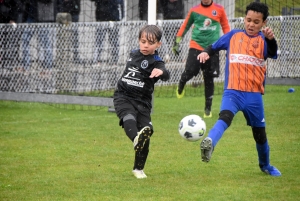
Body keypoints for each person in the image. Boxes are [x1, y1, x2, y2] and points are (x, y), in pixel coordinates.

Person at [197, 2, 281, 176]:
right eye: (248, 20)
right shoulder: (233, 35)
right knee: (224, 117)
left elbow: (273, 53)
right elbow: (213, 47)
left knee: (260, 134)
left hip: (254, 95)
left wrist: (271, 39)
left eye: (256, 22)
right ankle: (210, 142)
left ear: (264, 23)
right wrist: (205, 52)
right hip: (233, 91)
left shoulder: (264, 40)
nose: (251, 24)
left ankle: (265, 165)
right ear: (244, 19)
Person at [113, 25, 170, 179]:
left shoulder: (157, 62)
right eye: (143, 41)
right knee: (128, 117)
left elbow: (166, 74)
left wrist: (162, 72)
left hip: (143, 102)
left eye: (150, 43)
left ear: (158, 44)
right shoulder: (133, 54)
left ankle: (138, 169)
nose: (145, 45)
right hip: (123, 96)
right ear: (139, 41)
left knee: (146, 132)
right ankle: (135, 139)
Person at [172, 0, 230, 118]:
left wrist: (230, 43)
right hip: (196, 47)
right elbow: (185, 26)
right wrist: (177, 41)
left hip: (212, 49)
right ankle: (181, 83)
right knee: (190, 72)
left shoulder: (220, 9)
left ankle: (208, 108)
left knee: (209, 78)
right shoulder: (194, 11)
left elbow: (225, 27)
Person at [21, 0, 56, 73]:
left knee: (45, 42)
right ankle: (26, 66)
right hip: (30, 16)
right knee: (25, 40)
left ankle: (48, 68)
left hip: (42, 17)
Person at [91, 0, 123, 64]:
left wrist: (120, 17)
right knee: (99, 41)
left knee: (114, 41)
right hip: (101, 17)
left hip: (113, 18)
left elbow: (120, 2)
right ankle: (97, 60)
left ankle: (114, 61)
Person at [0, 0, 23, 65]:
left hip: (8, 18)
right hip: (4, 17)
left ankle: (10, 61)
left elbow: (16, 5)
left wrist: (12, 19)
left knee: (10, 41)